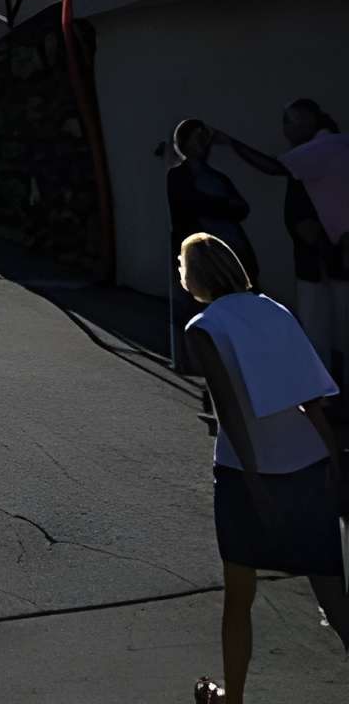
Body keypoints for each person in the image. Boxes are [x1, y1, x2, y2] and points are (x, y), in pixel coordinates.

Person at [179, 230, 349, 702]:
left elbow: (228, 411)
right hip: (309, 463)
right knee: (332, 594)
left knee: (239, 596)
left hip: (245, 473)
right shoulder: (275, 310)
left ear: (196, 275)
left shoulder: (202, 327)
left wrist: (253, 480)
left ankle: (232, 698)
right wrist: (332, 458)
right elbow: (310, 398)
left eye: (182, 266)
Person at [218, 99, 349, 381]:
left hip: (326, 251)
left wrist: (231, 143)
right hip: (324, 250)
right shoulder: (332, 146)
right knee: (329, 317)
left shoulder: (321, 148)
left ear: (307, 122)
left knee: (323, 319)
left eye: (289, 123)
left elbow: (273, 166)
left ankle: (323, 384)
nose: (285, 131)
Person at [167, 120, 259, 371]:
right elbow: (190, 205)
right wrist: (223, 205)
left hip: (231, 250)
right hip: (201, 256)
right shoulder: (178, 176)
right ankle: (204, 368)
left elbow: (241, 208)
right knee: (202, 312)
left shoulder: (217, 178)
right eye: (196, 138)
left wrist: (220, 206)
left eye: (204, 139)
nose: (202, 144)